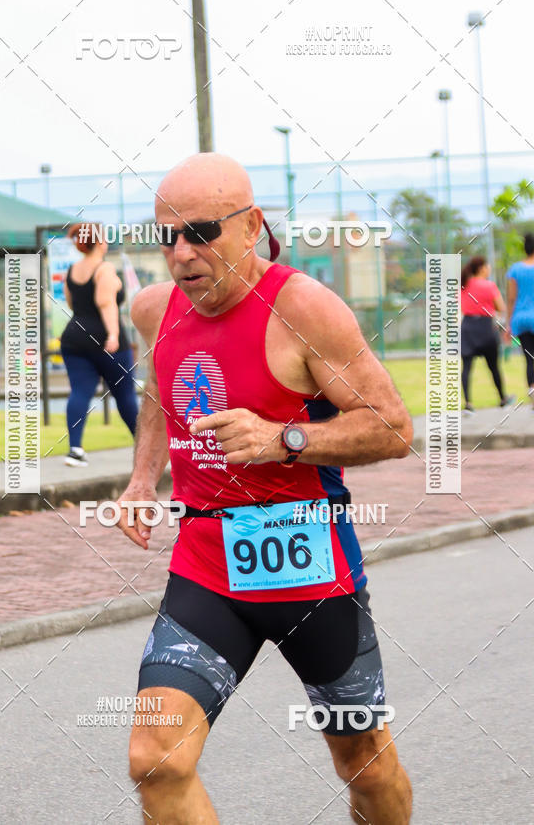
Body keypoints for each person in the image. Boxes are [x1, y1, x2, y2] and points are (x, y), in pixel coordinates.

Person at [117, 153, 413, 823]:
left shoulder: (303, 307)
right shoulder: (154, 310)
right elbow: (162, 395)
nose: (183, 253)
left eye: (201, 232)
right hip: (208, 563)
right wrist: (141, 477)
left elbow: (392, 428)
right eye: (168, 236)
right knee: (155, 759)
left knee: (363, 762)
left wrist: (285, 438)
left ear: (251, 226)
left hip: (308, 564)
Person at [60, 223, 138, 465]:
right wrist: (113, 335)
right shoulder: (104, 269)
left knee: (80, 391)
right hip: (106, 340)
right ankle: (145, 448)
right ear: (100, 241)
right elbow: (106, 303)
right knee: (125, 395)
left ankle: (75, 450)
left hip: (74, 337)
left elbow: (72, 304)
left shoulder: (73, 269)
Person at [460, 255, 513, 412]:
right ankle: (503, 398)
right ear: (482, 268)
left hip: (468, 326)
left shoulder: (463, 284)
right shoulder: (489, 286)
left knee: (467, 367)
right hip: (486, 327)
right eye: (488, 266)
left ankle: (468, 404)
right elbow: (501, 307)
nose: (489, 269)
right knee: (494, 367)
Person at [505, 233, 534, 409]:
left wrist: (508, 323)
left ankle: (533, 396)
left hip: (521, 319)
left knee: (530, 358)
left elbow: (511, 298)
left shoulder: (515, 269)